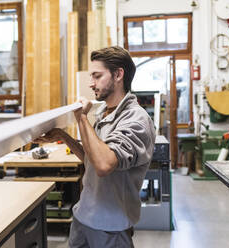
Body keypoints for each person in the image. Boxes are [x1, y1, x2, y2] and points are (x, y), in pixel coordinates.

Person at [35, 46, 156, 248]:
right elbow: (90, 158)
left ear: (118, 74)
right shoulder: (105, 112)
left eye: (97, 76)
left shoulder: (136, 119)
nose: (91, 84)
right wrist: (63, 136)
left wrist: (82, 118)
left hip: (110, 225)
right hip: (84, 215)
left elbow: (103, 165)